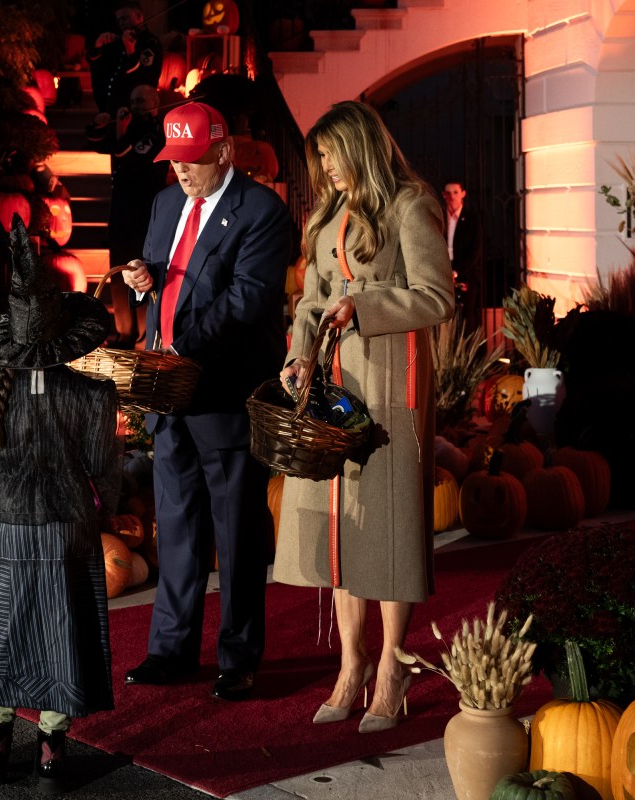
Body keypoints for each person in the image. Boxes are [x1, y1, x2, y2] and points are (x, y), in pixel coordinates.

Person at [272, 100, 455, 732]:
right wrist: (298, 358)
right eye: (317, 157)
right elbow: (308, 302)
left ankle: (391, 670)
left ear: (357, 145)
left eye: (327, 153)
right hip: (333, 385)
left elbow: (438, 296)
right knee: (341, 529)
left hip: (390, 390)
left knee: (390, 529)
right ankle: (351, 666)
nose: (322, 166)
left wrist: (366, 306)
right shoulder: (326, 215)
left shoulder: (411, 204)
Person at [119, 101, 292, 701]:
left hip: (224, 393)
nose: (181, 172)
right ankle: (170, 652)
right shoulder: (167, 204)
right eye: (173, 161)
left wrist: (181, 348)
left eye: (192, 161)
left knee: (238, 532)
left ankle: (239, 658)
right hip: (168, 395)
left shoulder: (264, 213)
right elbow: (166, 282)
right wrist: (144, 278)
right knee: (175, 526)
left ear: (223, 153)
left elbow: (247, 301)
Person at [0, 214, 122, 793]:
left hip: (5, 525)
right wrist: (111, 506)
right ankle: (51, 747)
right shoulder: (93, 393)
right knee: (62, 629)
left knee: (2, 626)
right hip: (67, 525)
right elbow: (106, 468)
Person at [86, 82, 168, 347]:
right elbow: (98, 143)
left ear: (155, 104)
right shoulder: (130, 126)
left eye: (142, 101)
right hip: (121, 214)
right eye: (133, 101)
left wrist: (121, 129)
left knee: (141, 276)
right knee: (119, 277)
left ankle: (144, 336)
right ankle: (124, 333)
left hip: (143, 214)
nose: (136, 107)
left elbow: (131, 158)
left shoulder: (157, 133)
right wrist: (101, 123)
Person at [87, 0, 163, 121]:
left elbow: (144, 77)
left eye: (125, 18)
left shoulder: (150, 43)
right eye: (119, 20)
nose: (121, 23)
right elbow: (99, 65)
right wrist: (98, 46)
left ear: (139, 17)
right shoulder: (119, 39)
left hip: (135, 111)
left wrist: (130, 49)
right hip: (111, 109)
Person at [442, 178, 483, 328]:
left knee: (467, 316)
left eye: (455, 192)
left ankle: (467, 350)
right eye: (448, 193)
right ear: (443, 195)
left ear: (463, 194)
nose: (452, 196)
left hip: (465, 272)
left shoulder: (472, 217)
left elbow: (475, 249)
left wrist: (457, 271)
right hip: (443, 269)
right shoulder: (439, 216)